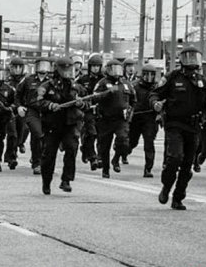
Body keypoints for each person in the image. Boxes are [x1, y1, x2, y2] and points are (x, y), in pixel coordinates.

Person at [152, 45, 206, 211]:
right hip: (174, 124)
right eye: (189, 57)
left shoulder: (204, 82)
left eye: (195, 57)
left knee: (187, 165)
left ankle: (178, 198)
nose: (192, 61)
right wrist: (156, 103)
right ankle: (166, 186)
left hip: (193, 127)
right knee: (174, 158)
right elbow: (156, 93)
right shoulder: (173, 77)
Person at [37, 55, 87, 194]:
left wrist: (81, 103)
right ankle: (46, 182)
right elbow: (38, 102)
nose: (67, 72)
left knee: (72, 148)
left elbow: (87, 103)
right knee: (49, 155)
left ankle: (66, 180)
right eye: (64, 69)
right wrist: (50, 105)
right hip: (52, 125)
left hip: (70, 124)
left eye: (69, 69)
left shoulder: (77, 87)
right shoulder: (46, 86)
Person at [91, 57, 134, 177]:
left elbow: (133, 99)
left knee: (123, 141)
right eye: (113, 69)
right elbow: (95, 97)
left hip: (121, 119)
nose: (116, 72)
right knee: (104, 146)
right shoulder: (102, 83)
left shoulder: (125, 83)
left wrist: (130, 112)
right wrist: (106, 93)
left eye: (118, 69)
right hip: (106, 119)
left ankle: (116, 159)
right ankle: (106, 169)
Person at [16, 55, 52, 174]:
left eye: (45, 65)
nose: (43, 68)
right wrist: (19, 106)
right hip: (32, 111)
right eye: (40, 65)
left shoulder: (52, 81)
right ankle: (37, 163)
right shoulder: (28, 80)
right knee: (37, 133)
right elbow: (18, 95)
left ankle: (42, 160)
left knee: (47, 138)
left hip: (47, 111)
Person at [128, 60, 164, 177]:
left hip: (150, 118)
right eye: (146, 74)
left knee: (149, 143)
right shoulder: (134, 86)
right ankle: (121, 153)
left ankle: (148, 168)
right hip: (136, 118)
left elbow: (162, 101)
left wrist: (160, 113)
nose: (149, 77)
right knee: (132, 142)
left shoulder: (157, 88)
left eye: (152, 75)